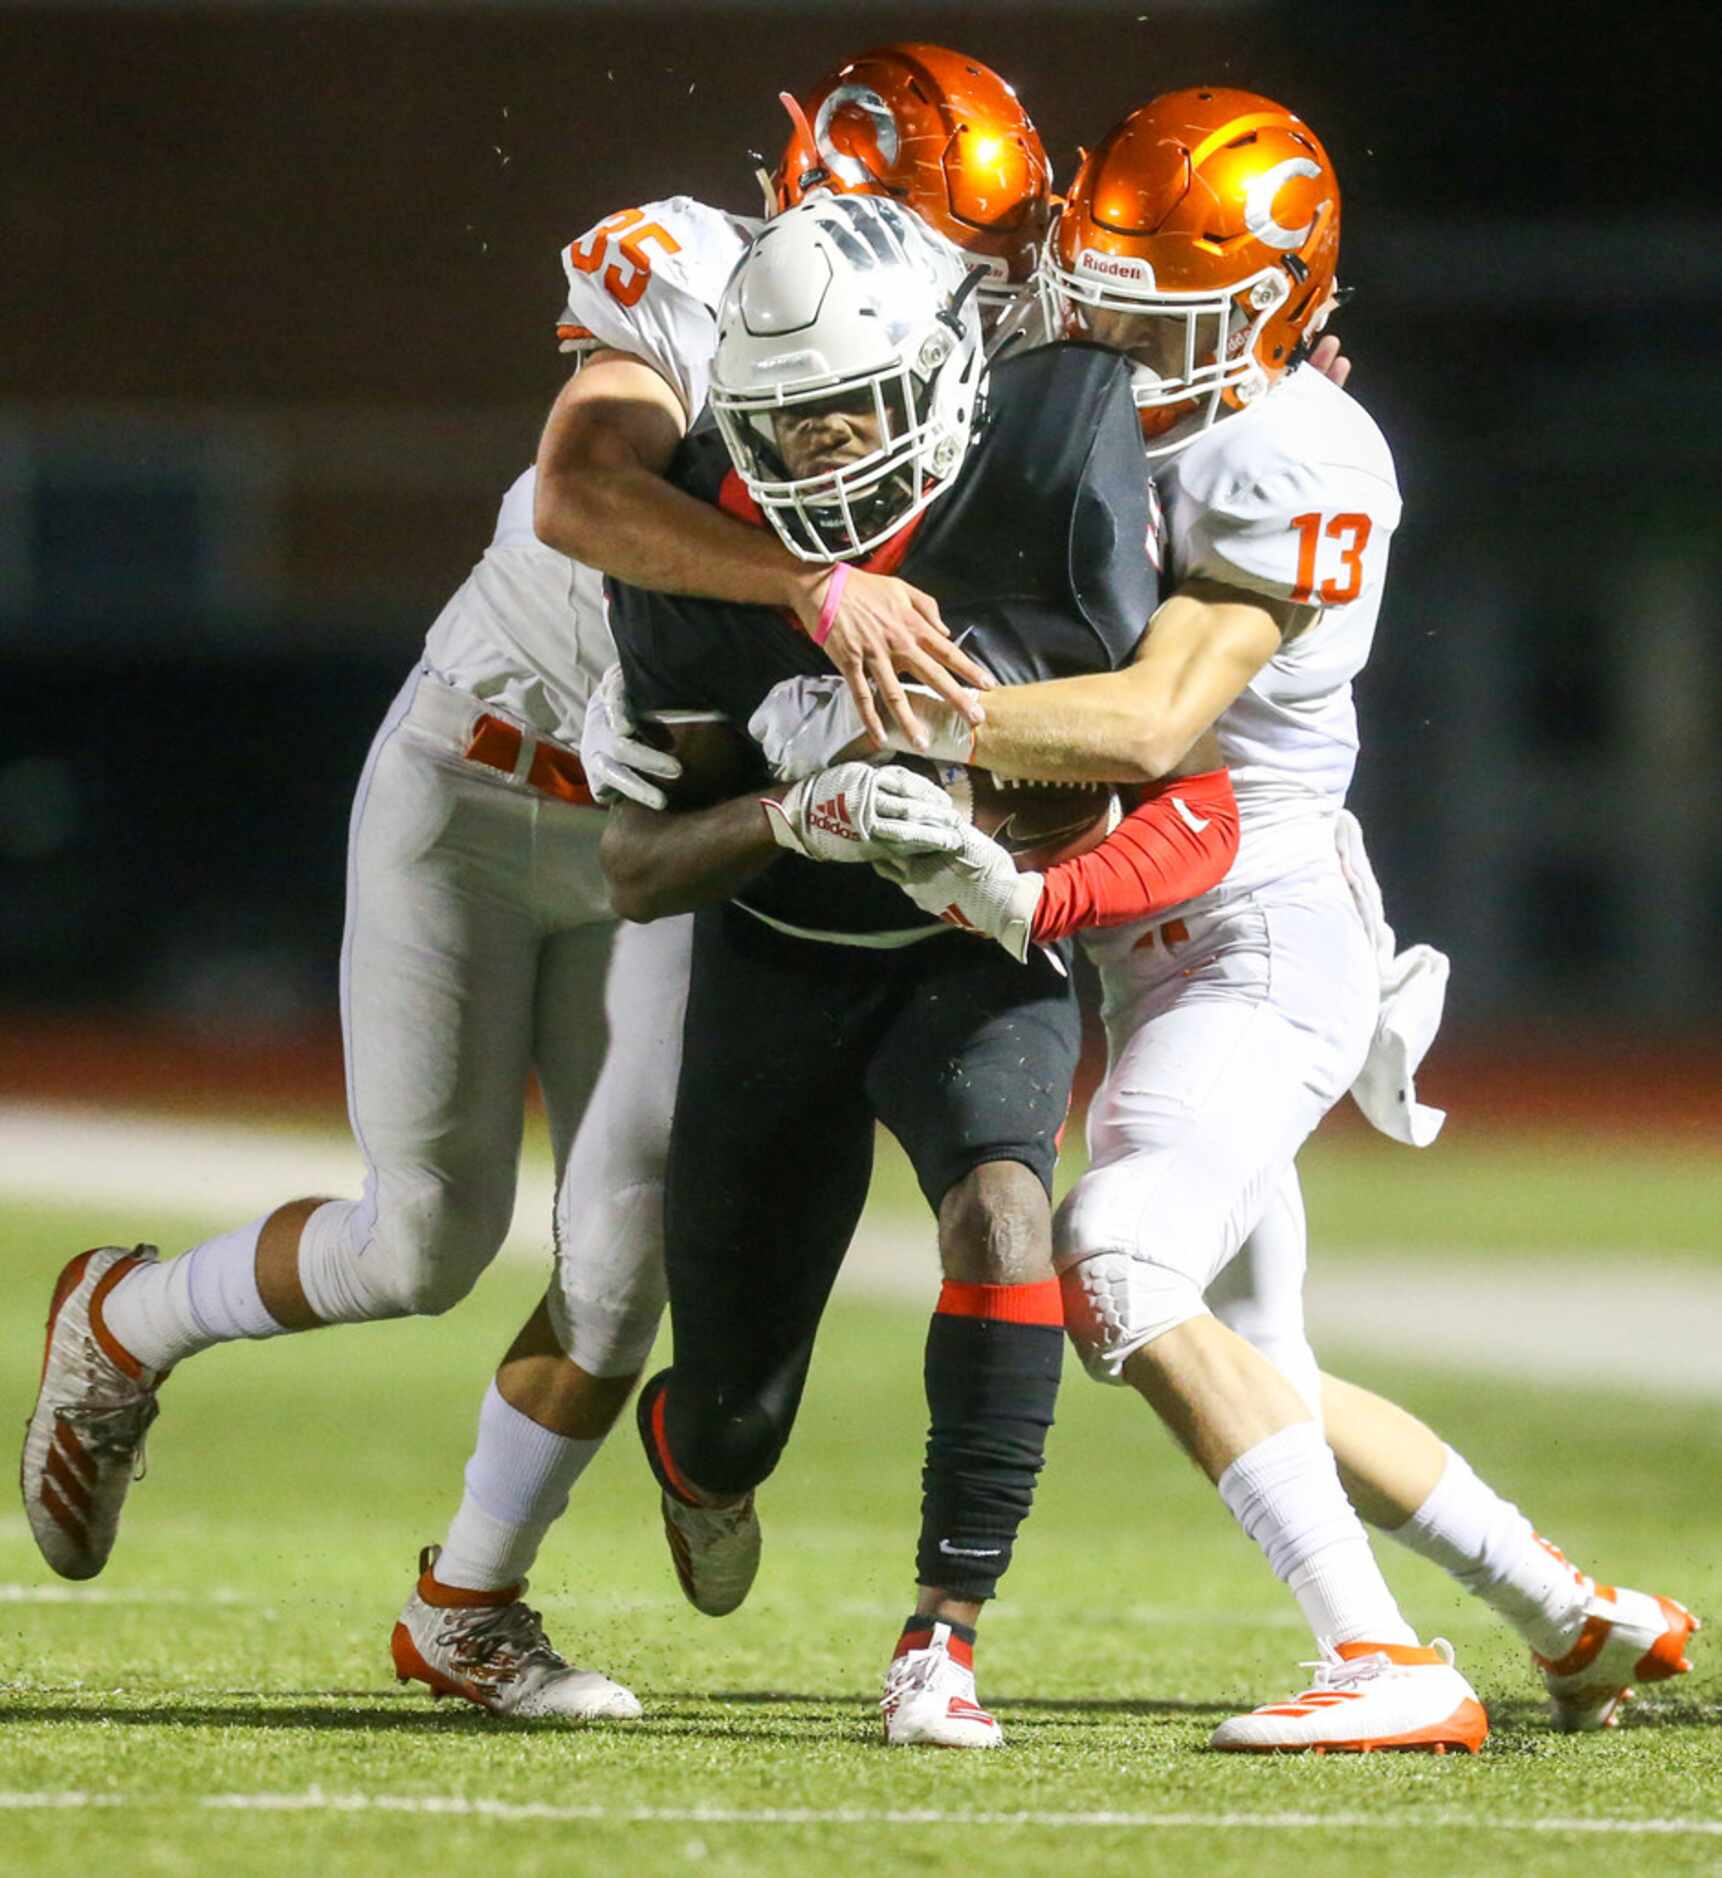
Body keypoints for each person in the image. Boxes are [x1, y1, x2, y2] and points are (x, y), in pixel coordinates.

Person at [18, 47, 1040, 1721]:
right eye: (940, 248)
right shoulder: (691, 269)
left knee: (622, 1246)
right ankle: (128, 1317)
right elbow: (580, 490)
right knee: (420, 1239)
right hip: (488, 779)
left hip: (676, 829)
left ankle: (465, 1606)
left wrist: (1273, 389)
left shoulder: (956, 353)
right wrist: (813, 589)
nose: (952, 300)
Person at [776, 86, 1700, 1746]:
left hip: (1254, 925)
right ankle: (1574, 1616)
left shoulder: (1298, 445)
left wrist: (898, 720)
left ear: (1269, 307)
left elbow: (1138, 729)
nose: (1115, 337)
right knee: (1256, 1344)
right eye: (1099, 292)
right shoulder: (1108, 400)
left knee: (1116, 1265)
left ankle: (1383, 1658)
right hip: (1156, 933)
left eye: (1160, 313)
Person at [598, 192, 1242, 1749]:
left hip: (968, 949)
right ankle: (694, 1458)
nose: (815, 453)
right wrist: (788, 808)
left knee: (1005, 1204)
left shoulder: (1054, 444)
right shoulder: (695, 534)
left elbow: (1178, 784)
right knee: (731, 1418)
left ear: (947, 378)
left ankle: (941, 1634)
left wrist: (991, 829)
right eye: (782, 424)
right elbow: (634, 868)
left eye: (847, 413)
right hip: (779, 958)